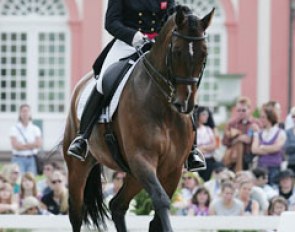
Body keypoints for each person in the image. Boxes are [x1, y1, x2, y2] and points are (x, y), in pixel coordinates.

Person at [67, 1, 205, 172]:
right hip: (127, 43)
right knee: (104, 81)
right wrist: (134, 36)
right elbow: (111, 22)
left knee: (182, 83)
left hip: (159, 45)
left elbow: (172, 14)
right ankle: (83, 137)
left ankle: (191, 149)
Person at [252, 103, 286, 186]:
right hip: (261, 168)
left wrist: (262, 147)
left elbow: (277, 148)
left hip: (275, 168)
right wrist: (270, 149)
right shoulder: (259, 133)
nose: (261, 119)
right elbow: (254, 150)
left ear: (270, 117)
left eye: (263, 117)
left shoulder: (280, 132)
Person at [222, 96, 260, 172]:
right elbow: (224, 142)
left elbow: (261, 141)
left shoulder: (256, 123)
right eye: (238, 110)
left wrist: (251, 139)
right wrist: (237, 138)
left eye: (243, 110)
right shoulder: (231, 123)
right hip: (234, 158)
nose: (241, 113)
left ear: (249, 110)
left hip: (250, 157)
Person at [9, 104, 42, 175]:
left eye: (27, 111)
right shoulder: (14, 128)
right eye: (23, 111)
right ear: (20, 113)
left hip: (31, 159)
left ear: (30, 113)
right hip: (18, 159)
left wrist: (22, 145)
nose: (25, 113)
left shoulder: (35, 128)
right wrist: (32, 145)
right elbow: (16, 146)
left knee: (31, 182)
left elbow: (38, 144)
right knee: (18, 182)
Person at [194, 106, 217, 181]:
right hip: (196, 160)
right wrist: (206, 148)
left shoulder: (208, 129)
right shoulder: (193, 130)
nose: (206, 116)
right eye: (204, 114)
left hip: (208, 160)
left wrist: (202, 148)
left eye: (207, 114)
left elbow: (214, 145)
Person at [284, 106, 295, 172]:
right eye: (293, 116)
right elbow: (286, 148)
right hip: (291, 163)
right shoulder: (288, 132)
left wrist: (292, 145)